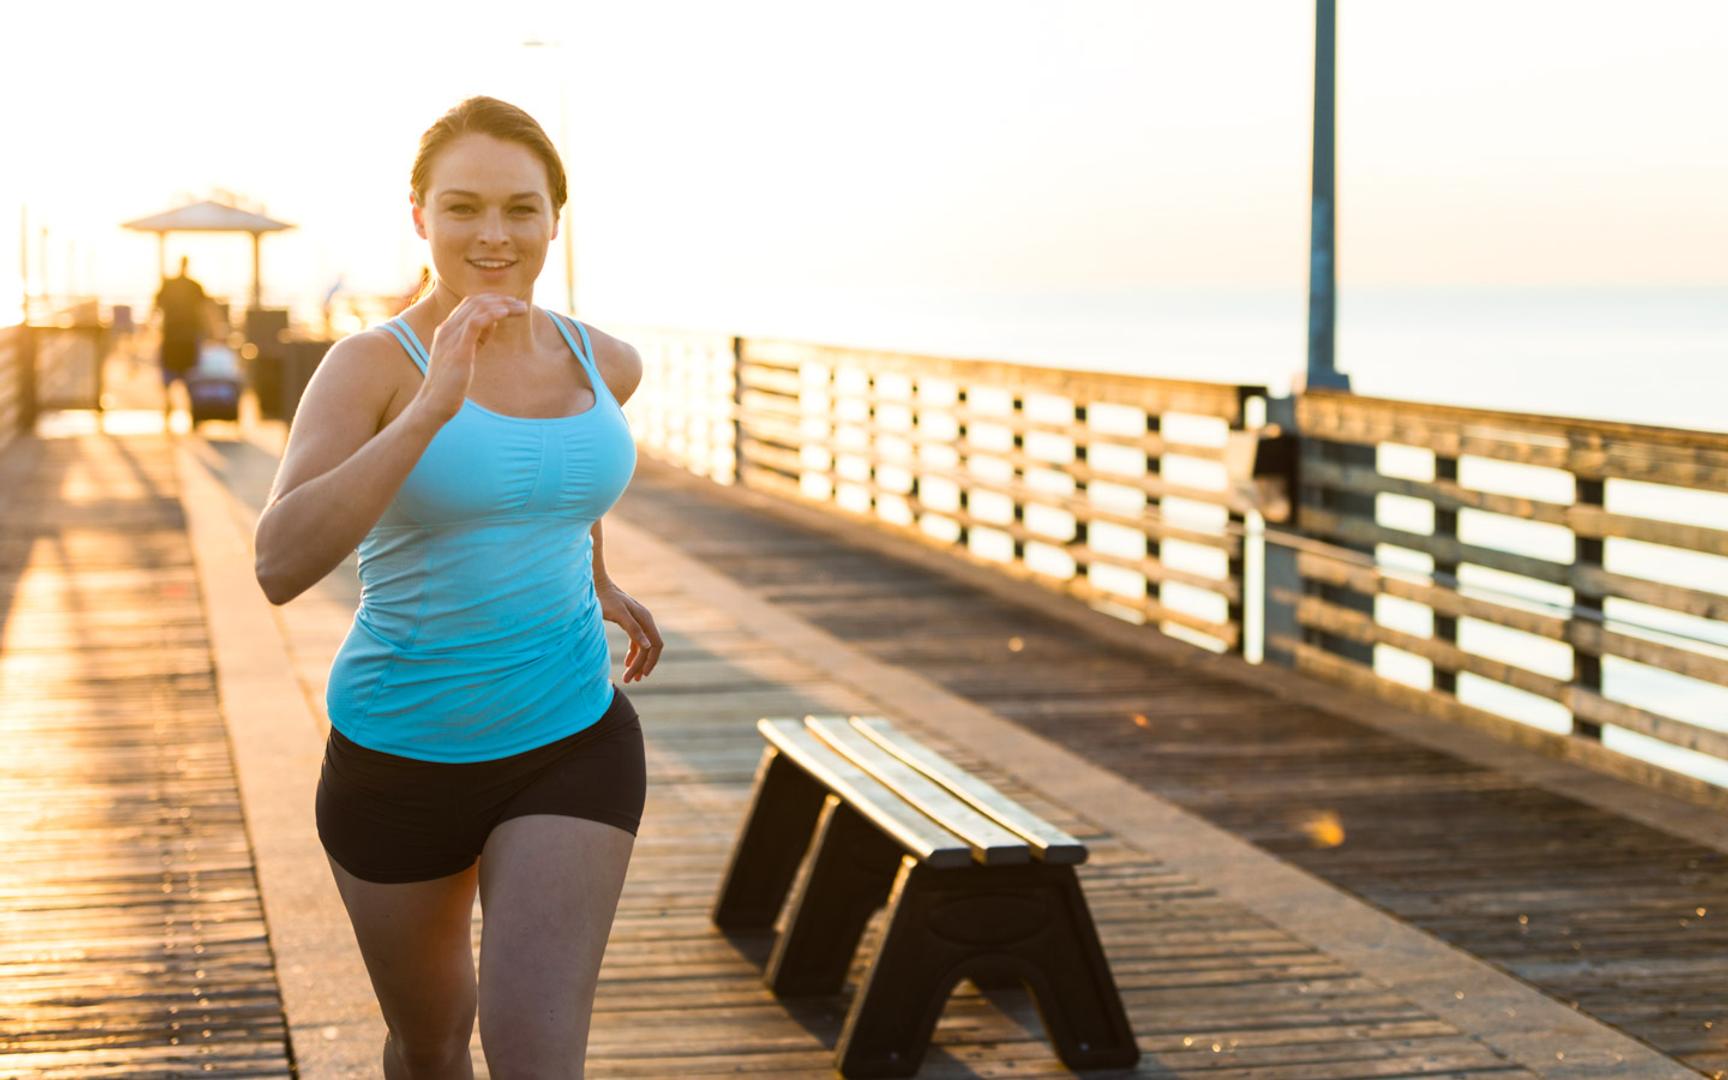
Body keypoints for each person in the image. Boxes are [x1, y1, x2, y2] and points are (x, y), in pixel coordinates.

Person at [252, 96, 665, 1079]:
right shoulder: (368, 367)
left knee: (535, 1057)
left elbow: (561, 478)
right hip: (401, 755)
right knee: (432, 1043)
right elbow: (278, 564)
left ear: (555, 219)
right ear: (420, 216)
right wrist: (431, 406)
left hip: (571, 735)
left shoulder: (605, 360)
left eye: (521, 208)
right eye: (463, 207)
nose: (493, 235)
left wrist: (597, 572)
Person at [153, 256, 208, 418]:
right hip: (188, 337)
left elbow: (156, 308)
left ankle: (169, 406)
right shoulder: (194, 286)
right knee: (191, 376)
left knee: (169, 375)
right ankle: (190, 409)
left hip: (172, 336)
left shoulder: (169, 285)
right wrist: (212, 332)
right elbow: (205, 309)